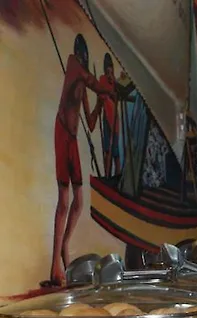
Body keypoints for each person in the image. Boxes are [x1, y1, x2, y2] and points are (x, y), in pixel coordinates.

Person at [50, 34, 113, 286]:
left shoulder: (82, 81)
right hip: (62, 134)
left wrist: (101, 103)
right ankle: (55, 265)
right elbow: (95, 83)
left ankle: (65, 245)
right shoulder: (73, 64)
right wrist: (109, 90)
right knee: (64, 201)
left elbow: (91, 121)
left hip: (74, 139)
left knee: (79, 201)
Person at [98, 53, 120, 178]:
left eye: (111, 72)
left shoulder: (116, 84)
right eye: (107, 72)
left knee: (115, 152)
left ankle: (117, 176)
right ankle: (107, 177)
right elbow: (101, 94)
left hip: (114, 122)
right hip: (106, 120)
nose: (109, 75)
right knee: (107, 151)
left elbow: (116, 96)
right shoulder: (102, 80)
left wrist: (114, 84)